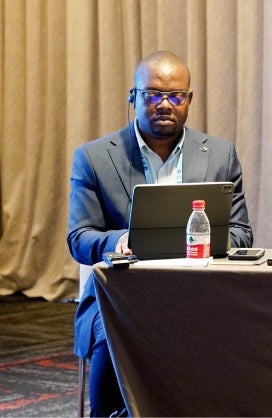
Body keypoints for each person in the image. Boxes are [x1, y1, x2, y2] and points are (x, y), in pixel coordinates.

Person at [67, 50, 254, 417]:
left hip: (202, 297)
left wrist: (202, 242)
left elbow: (243, 234)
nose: (164, 104)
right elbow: (80, 237)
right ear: (133, 97)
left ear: (189, 99)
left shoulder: (219, 154)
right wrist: (120, 240)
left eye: (175, 95)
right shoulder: (94, 157)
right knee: (116, 346)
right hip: (120, 300)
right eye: (152, 94)